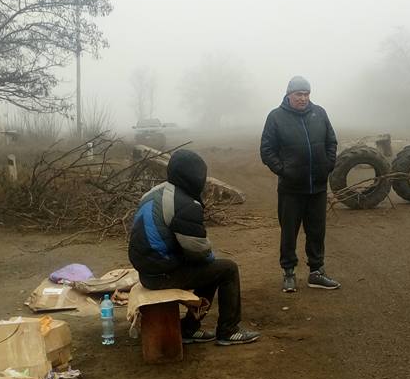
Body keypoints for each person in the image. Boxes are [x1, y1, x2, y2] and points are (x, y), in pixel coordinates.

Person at [128, 149, 260, 346]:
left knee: (210, 270)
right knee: (226, 269)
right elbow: (199, 250)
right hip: (161, 275)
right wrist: (210, 259)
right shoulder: (184, 203)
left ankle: (188, 328)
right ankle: (229, 330)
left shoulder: (155, 192)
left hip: (148, 272)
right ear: (193, 176)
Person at [260, 75, 341, 293]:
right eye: (299, 94)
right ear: (288, 95)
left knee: (316, 231)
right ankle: (288, 273)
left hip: (318, 187)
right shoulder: (276, 117)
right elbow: (267, 150)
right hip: (291, 190)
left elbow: (331, 141)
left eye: (306, 94)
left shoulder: (320, 113)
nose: (303, 98)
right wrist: (283, 170)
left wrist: (328, 165)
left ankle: (316, 272)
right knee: (289, 232)